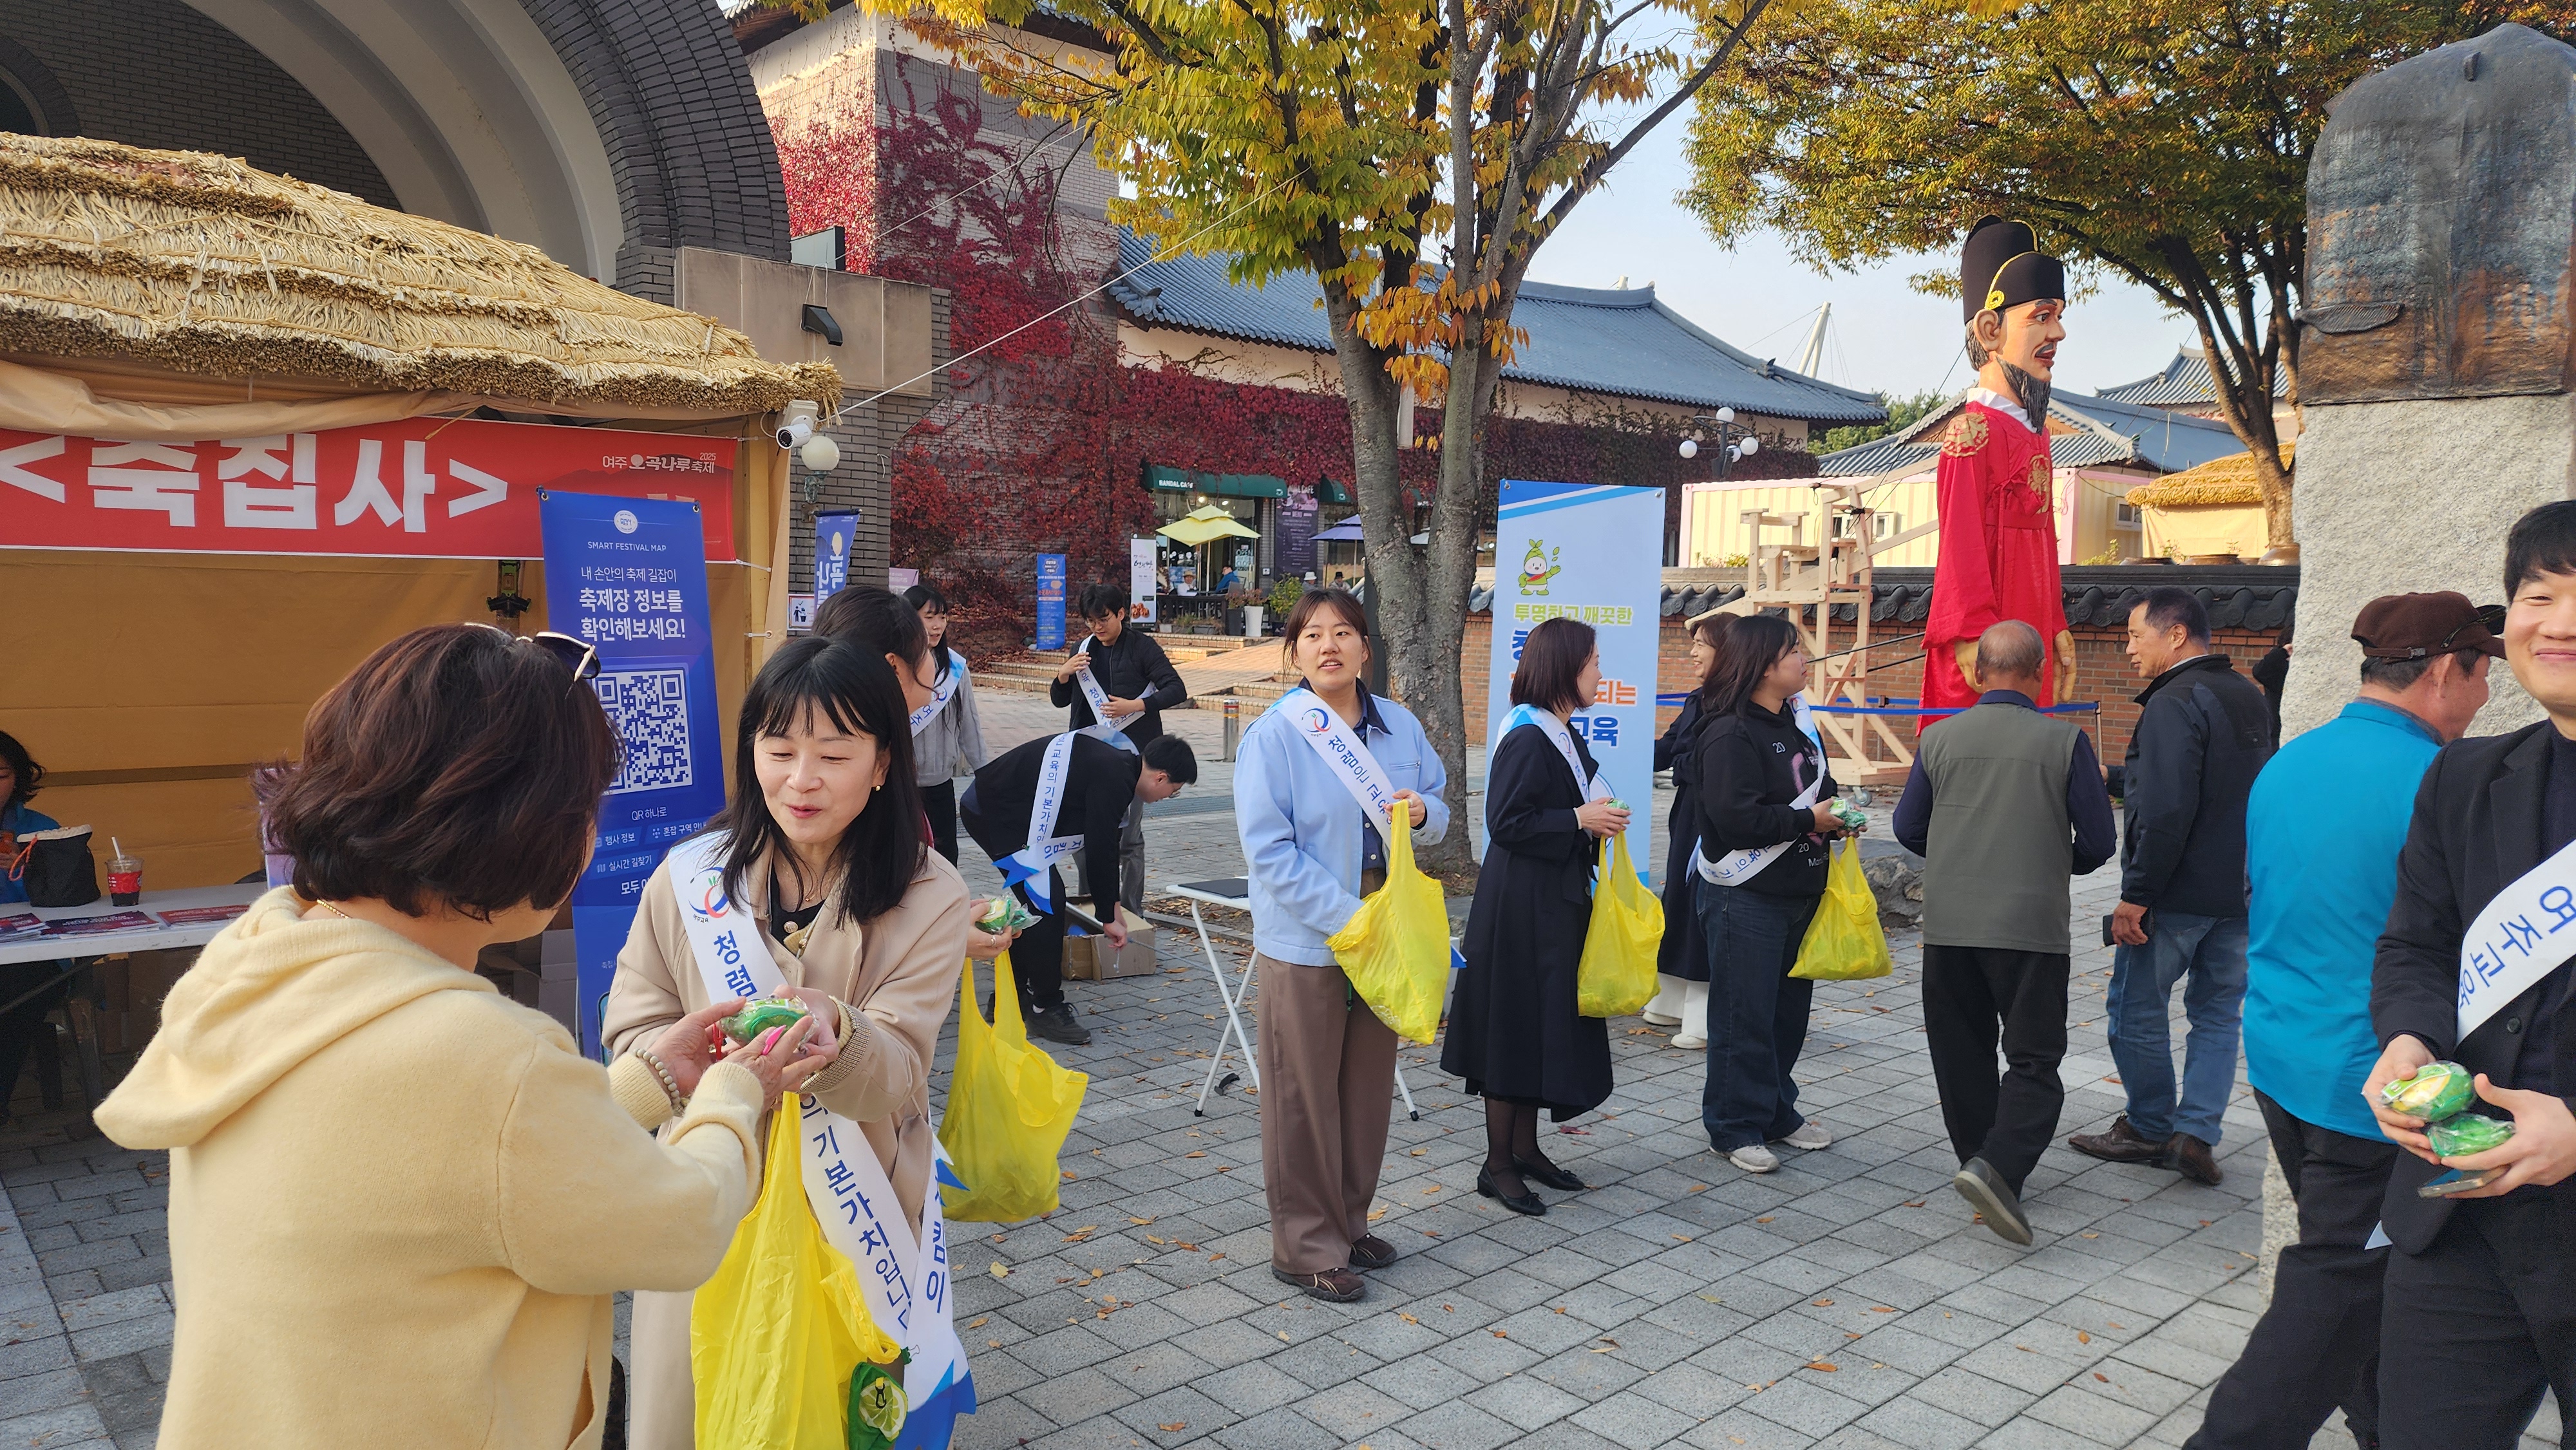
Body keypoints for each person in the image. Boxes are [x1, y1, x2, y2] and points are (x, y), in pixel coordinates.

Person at [93, 625, 817, 1450]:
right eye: (586, 806)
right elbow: (677, 1224)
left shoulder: (260, 955)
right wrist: (735, 1093)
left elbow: (457, 1169)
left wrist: (649, 1077)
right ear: (527, 827)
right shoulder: (487, 1056)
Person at [605, 637, 974, 1449]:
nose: (800, 779)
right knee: (689, 1409)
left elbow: (900, 1070)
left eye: (833, 754)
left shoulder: (931, 893)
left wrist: (838, 1032)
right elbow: (631, 1027)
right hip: (709, 1184)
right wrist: (678, 1061)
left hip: (856, 1204)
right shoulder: (690, 876)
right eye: (778, 750)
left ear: (882, 764)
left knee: (839, 1413)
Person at [2185, 592, 2497, 1450]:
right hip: (2378, 1090)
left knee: (2373, 1291)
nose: (2484, 699)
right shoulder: (2442, 784)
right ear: (2443, 672)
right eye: (2481, 675)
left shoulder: (2292, 760)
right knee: (2334, 1293)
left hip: (2284, 1057)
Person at [2364, 502, 2576, 1448]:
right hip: (2463, 1225)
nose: (2559, 622)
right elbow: (2417, 942)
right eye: (2539, 594)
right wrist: (2407, 1043)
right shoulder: (2466, 777)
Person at [1233, 589, 1447, 1301]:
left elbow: (1441, 809)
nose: (1328, 645)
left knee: (1363, 1092)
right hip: (1310, 940)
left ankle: (1348, 1224)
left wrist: (1425, 812)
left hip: (1385, 936)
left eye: (1344, 632)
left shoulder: (1402, 728)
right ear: (1294, 651)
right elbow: (1270, 853)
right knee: (1302, 1097)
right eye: (1312, 634)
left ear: (1365, 647)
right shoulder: (1275, 734)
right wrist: (1350, 920)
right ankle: (1303, 1246)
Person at [1893, 620, 2116, 1244]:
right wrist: (2053, 858)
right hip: (2029, 924)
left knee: (1959, 1048)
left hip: (1950, 922)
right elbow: (2099, 840)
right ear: (2040, 670)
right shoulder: (2064, 742)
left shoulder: (1938, 738)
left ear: (1977, 671)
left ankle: (1978, 1158)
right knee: (2034, 1057)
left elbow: (1909, 827)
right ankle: (2001, 1164)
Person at [2069, 586, 2271, 1185]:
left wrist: (2137, 895)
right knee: (2217, 1014)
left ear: (2175, 634)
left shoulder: (2173, 702)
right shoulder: (2248, 696)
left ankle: (2149, 1126)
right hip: (2240, 892)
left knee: (2135, 1008)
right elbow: (2222, 788)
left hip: (2176, 894)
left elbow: (2167, 805)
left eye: (2135, 635)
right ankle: (2197, 1134)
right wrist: (2112, 777)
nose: (2128, 648)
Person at [1444, 617, 1627, 1216]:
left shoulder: (1561, 732)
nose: (1601, 673)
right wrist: (1580, 820)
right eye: (1594, 662)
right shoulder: (1528, 736)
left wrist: (1595, 816)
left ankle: (1526, 1149)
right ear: (1566, 668)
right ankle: (1497, 1163)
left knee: (1540, 1026)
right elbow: (1507, 822)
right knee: (1515, 1026)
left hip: (1552, 899)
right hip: (1520, 906)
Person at [1694, 612, 1854, 1174]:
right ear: (1763, 665)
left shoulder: (1794, 727)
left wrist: (1839, 816)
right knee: (1745, 1015)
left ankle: (1777, 1110)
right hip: (1747, 894)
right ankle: (1734, 1125)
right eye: (1793, 652)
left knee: (1787, 1015)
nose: (1803, 660)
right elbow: (1735, 818)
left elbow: (1818, 793)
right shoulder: (1729, 731)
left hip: (1799, 890)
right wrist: (1808, 817)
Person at [1924, 216, 2080, 715]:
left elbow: (2044, 538)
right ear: (1991, 328)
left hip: (2031, 619)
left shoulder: (2034, 431)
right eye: (2041, 317)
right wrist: (1969, 635)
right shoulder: (1972, 432)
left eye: (2057, 315)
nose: (2058, 332)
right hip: (1987, 633)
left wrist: (2055, 624)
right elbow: (1961, 546)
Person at [962, 729, 1197, 1045]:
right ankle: (1045, 1006)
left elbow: (1105, 842)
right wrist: (1108, 917)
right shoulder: (1115, 775)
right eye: (1175, 790)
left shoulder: (1118, 765)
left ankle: (1010, 999)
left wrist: (1112, 909)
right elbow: (1100, 847)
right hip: (994, 813)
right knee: (1047, 904)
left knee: (1040, 905)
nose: (1169, 797)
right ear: (1161, 777)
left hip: (1008, 811)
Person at [1050, 582, 1188, 916]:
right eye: (1091, 621)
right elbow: (1059, 700)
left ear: (1122, 614)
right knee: (1086, 839)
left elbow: (1177, 689)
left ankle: (1131, 912)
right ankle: (1092, 905)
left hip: (1135, 760)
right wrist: (1064, 675)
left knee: (1128, 839)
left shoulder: (1143, 648)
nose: (1098, 627)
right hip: (1089, 758)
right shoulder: (1081, 649)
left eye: (1104, 618)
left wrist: (1136, 705)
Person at [1644, 614, 1734, 1050]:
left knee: (1703, 908)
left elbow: (1701, 763)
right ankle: (1669, 999)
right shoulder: (1698, 699)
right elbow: (1669, 749)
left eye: (1702, 644)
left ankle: (1700, 1017)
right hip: (1686, 819)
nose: (1693, 652)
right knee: (1678, 903)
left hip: (1716, 826)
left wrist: (1679, 765)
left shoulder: (1737, 705)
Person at [0, 731, 69, 1122]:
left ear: (19, 778)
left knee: (18, 991)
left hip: (36, 955)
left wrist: (34, 872)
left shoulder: (42, 828)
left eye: (1, 776)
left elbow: (68, 900)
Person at [903, 580, 989, 864]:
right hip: (901, 784)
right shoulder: (893, 665)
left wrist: (985, 773)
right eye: (929, 617)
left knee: (945, 857)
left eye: (943, 617)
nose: (938, 625)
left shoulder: (955, 667)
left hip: (941, 784)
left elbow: (970, 725)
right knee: (905, 859)